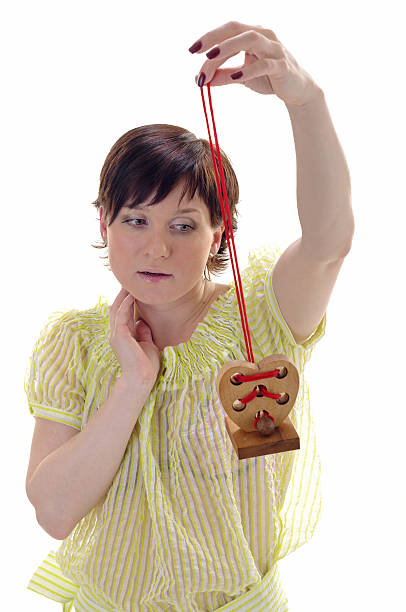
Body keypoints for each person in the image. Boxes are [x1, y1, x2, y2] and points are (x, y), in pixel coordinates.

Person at [24, 21, 354, 612]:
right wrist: (132, 384)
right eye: (135, 220)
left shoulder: (263, 321)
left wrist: (306, 101)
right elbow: (54, 512)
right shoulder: (74, 342)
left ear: (217, 232)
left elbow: (329, 241)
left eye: (183, 225)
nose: (156, 249)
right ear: (104, 223)